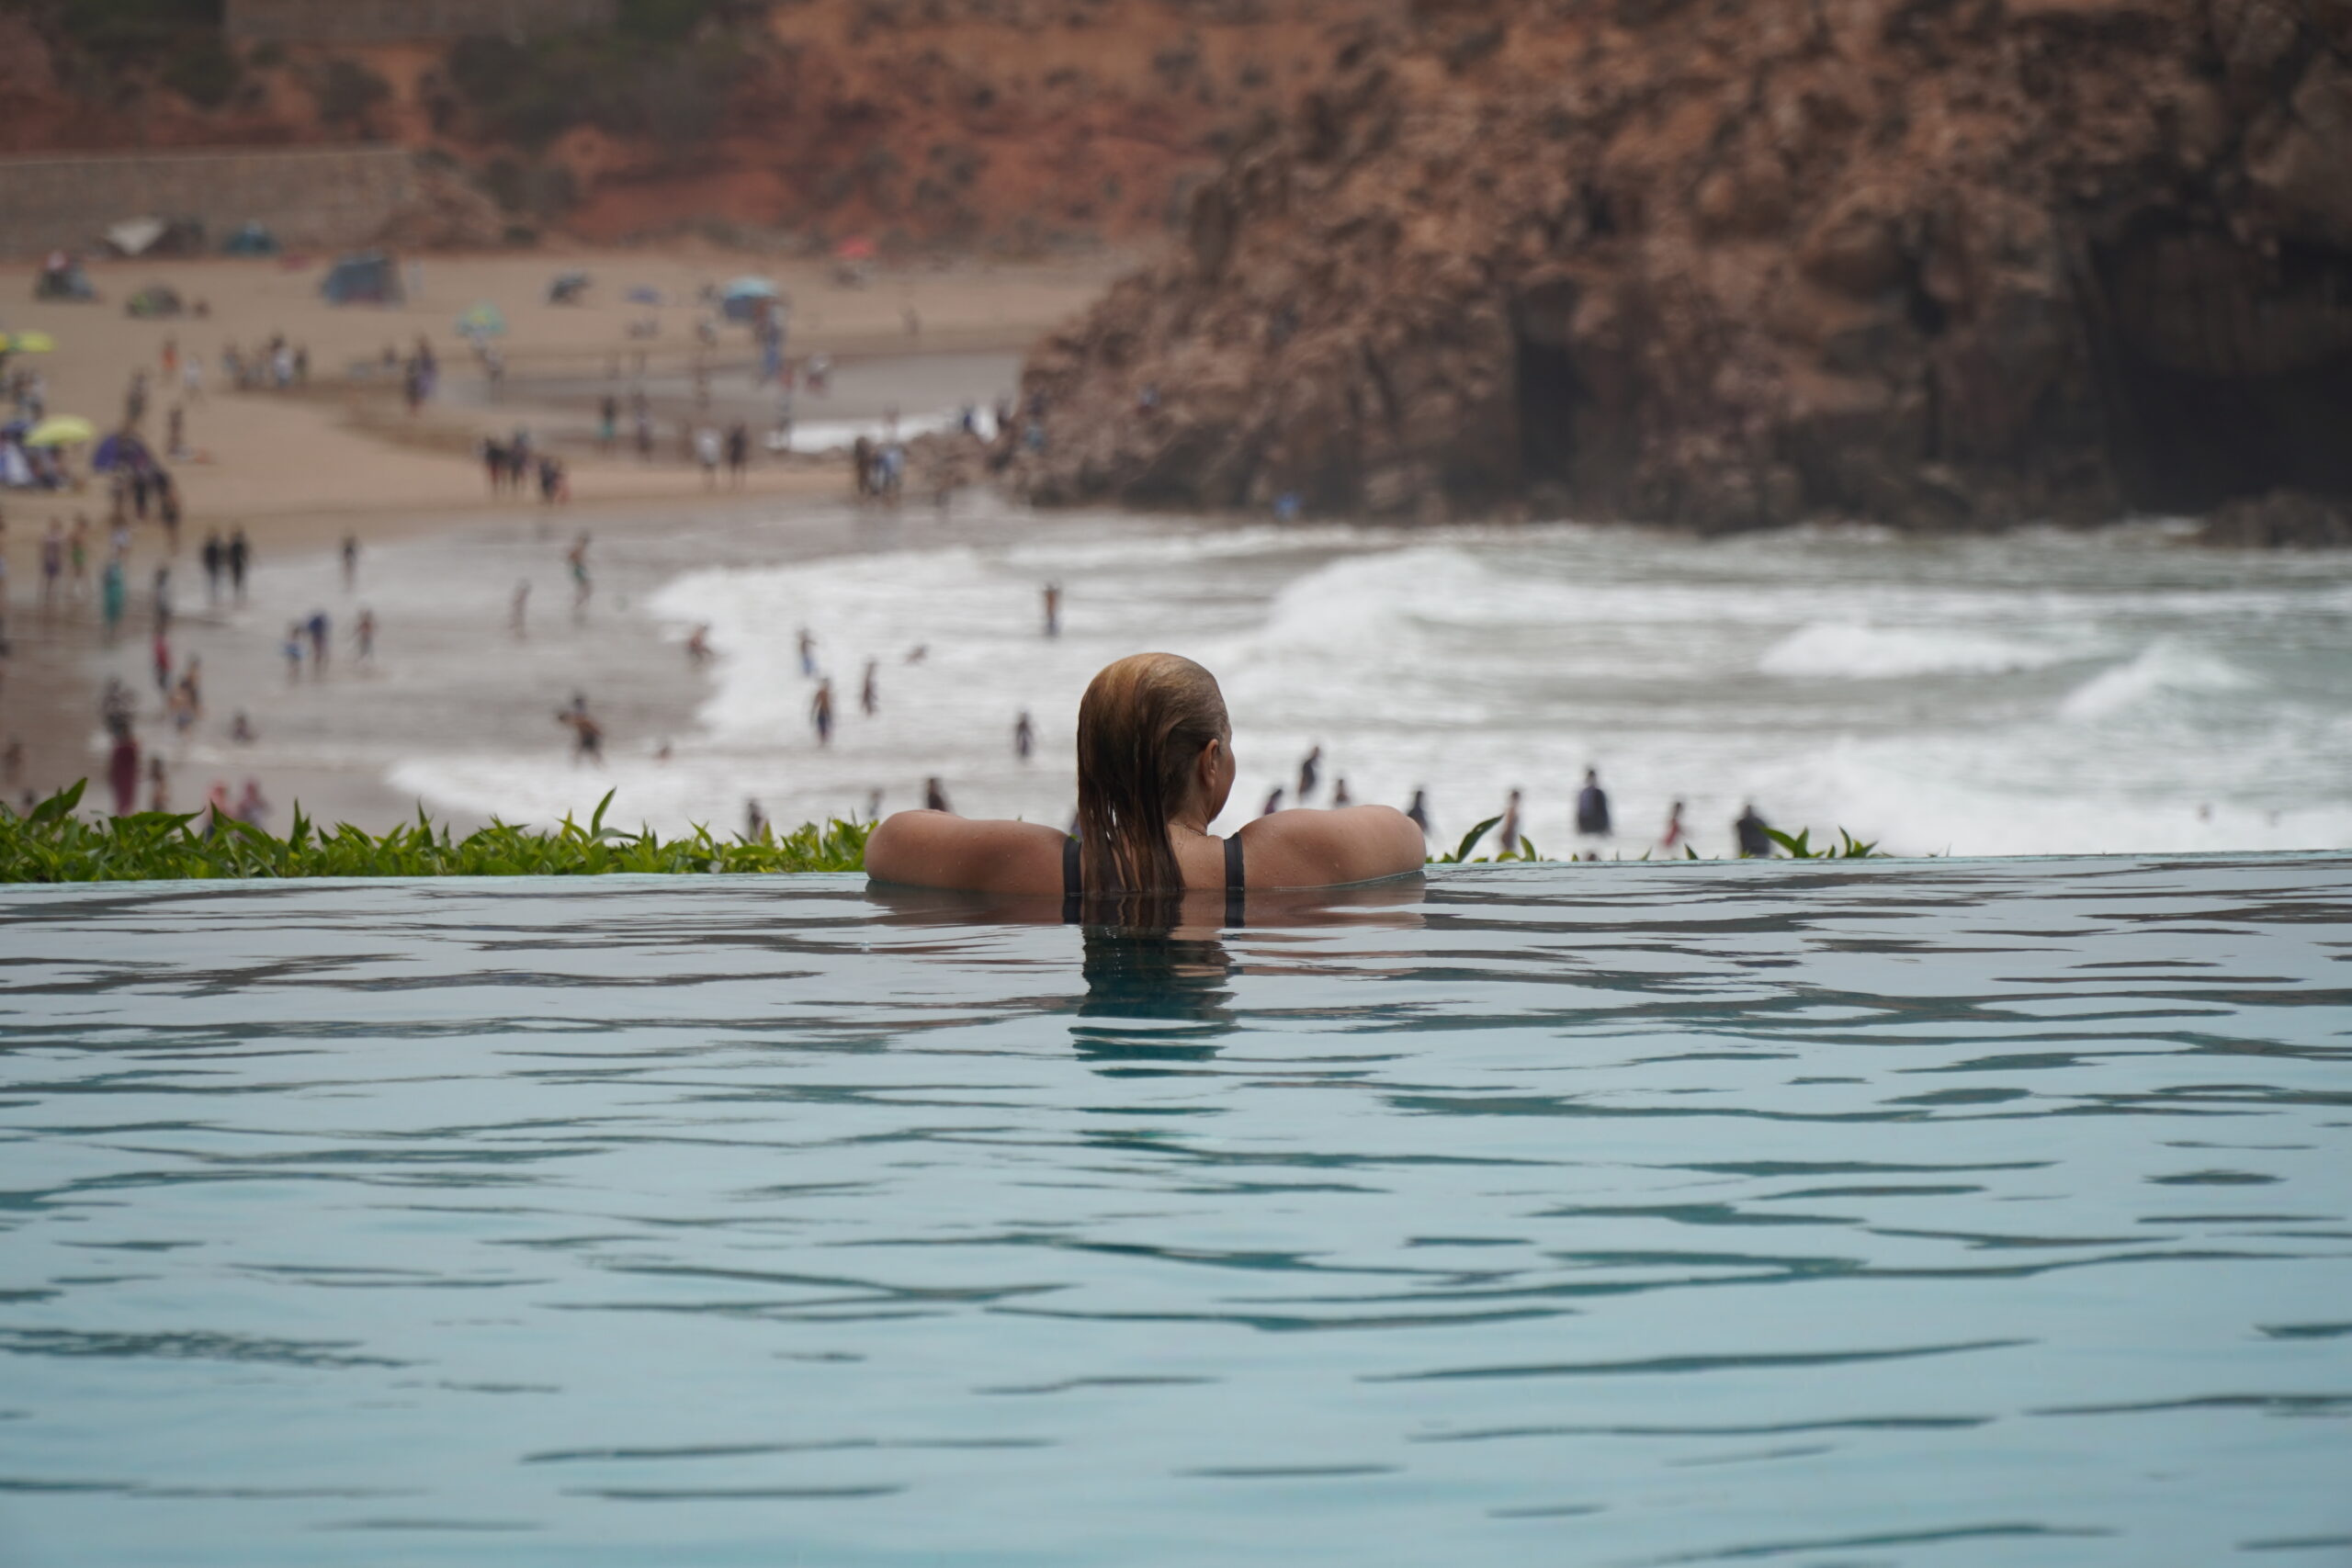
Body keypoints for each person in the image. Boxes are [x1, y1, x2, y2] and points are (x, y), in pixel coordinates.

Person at [865, 653, 1424, 904]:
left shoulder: (1031, 865)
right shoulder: (1286, 856)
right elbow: (1404, 835)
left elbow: (889, 842)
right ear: (1211, 761)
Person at [1575, 767, 1611, 856]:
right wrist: (1578, 826)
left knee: (1598, 850)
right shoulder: (1583, 793)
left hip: (1598, 826)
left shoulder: (1600, 793)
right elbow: (1579, 810)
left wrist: (1607, 827)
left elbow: (1605, 811)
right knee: (1585, 850)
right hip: (1586, 826)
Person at [227, 528, 250, 603]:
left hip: (235, 564)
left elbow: (229, 556)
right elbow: (244, 555)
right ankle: (240, 595)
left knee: (237, 579)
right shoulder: (240, 545)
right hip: (238, 564)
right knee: (240, 579)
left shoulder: (233, 545)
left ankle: (237, 594)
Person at [201, 531, 224, 604]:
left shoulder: (209, 547)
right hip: (215, 565)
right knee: (215, 580)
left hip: (211, 565)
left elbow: (205, 557)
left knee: (212, 580)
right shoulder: (216, 548)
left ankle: (213, 595)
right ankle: (215, 595)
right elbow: (220, 557)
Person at [1498, 788, 1521, 854]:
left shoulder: (1513, 807)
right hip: (1508, 835)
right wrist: (1509, 838)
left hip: (1509, 835)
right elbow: (1509, 824)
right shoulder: (1512, 808)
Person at [811, 679, 836, 745]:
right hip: (822, 712)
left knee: (825, 729)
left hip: (826, 713)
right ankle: (822, 743)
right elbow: (815, 703)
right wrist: (812, 713)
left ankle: (823, 743)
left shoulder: (827, 693)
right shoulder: (821, 693)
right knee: (822, 728)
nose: (826, 686)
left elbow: (830, 704)